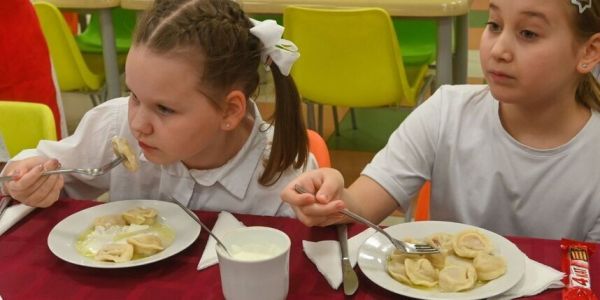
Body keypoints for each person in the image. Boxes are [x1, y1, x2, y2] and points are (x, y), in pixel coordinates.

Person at [281, 0, 600, 241]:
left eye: (528, 33)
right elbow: (362, 204)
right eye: (494, 25)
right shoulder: (446, 111)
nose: (499, 50)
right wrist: (334, 199)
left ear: (588, 52)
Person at [2, 0, 316, 217]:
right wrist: (27, 180)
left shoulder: (282, 178)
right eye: (133, 94)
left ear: (230, 111)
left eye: (164, 109)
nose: (138, 123)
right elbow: (40, 165)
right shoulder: (116, 123)